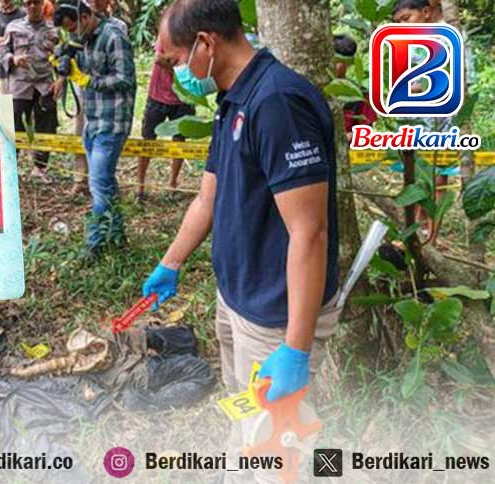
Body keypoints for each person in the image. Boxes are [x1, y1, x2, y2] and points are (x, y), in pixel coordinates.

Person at [141, 3, 340, 483]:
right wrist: (171, 262)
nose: (175, 74)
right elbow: (209, 197)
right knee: (245, 411)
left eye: (174, 60)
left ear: (206, 44)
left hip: (274, 313)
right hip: (237, 297)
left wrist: (294, 348)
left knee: (278, 444)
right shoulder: (234, 98)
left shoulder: (277, 103)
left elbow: (308, 231)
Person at [53, 0, 135, 261]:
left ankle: (94, 244)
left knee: (98, 183)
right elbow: (70, 62)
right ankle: (119, 236)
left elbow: (126, 79)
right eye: (68, 30)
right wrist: (62, 63)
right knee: (105, 182)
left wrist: (90, 81)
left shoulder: (113, 37)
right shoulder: (81, 40)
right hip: (92, 121)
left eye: (75, 25)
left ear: (87, 15)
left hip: (112, 122)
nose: (74, 32)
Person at [0, 0, 58, 180]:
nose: (32, 6)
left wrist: (60, 81)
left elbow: (62, 57)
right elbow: (2, 51)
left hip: (44, 85)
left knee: (46, 126)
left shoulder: (54, 30)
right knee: (13, 125)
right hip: (20, 84)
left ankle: (40, 169)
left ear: (43, 5)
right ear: (25, 6)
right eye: (29, 3)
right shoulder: (13, 27)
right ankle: (10, 168)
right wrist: (13, 59)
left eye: (36, 3)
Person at [137, 36, 195, 200]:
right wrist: (180, 70)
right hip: (158, 95)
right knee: (147, 140)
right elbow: (158, 59)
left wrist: (173, 66)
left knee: (179, 140)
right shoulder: (168, 33)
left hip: (185, 98)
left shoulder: (196, 38)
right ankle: (140, 185)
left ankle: (172, 183)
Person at [333, 34, 375, 139]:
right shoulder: (313, 90)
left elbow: (365, 132)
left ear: (348, 64)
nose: (332, 65)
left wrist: (342, 139)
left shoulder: (361, 95)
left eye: (337, 62)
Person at [0, 0, 26, 94]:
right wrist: (7, 40)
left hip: (24, 70)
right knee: (5, 106)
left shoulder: (24, 14)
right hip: (4, 71)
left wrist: (3, 40)